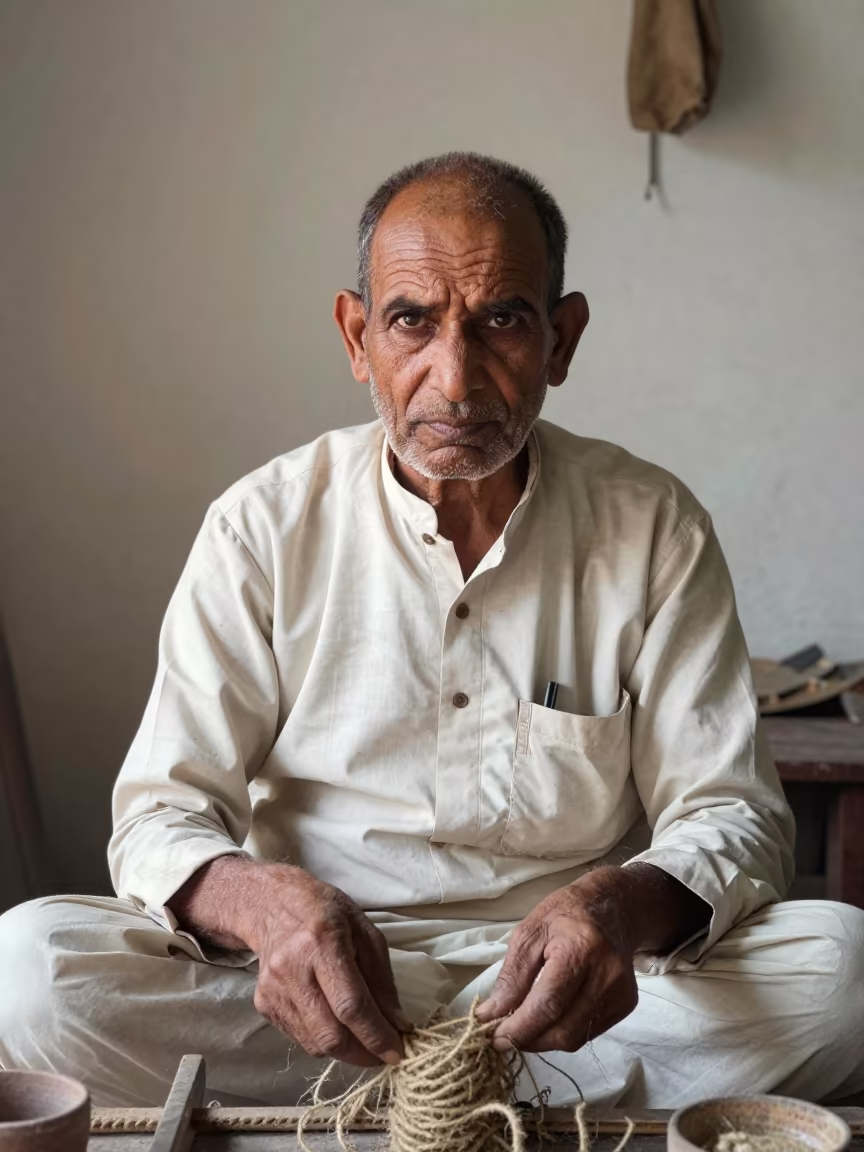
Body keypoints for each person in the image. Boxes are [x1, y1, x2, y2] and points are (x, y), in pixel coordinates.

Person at [2, 152, 863, 1110]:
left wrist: (616, 909)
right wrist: (269, 907)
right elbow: (160, 815)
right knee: (31, 972)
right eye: (411, 319)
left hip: (568, 998)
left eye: (502, 320)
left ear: (562, 340)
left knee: (843, 979)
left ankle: (435, 1089)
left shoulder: (651, 524)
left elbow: (733, 812)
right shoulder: (264, 525)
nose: (455, 379)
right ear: (357, 335)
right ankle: (490, 1092)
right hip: (319, 991)